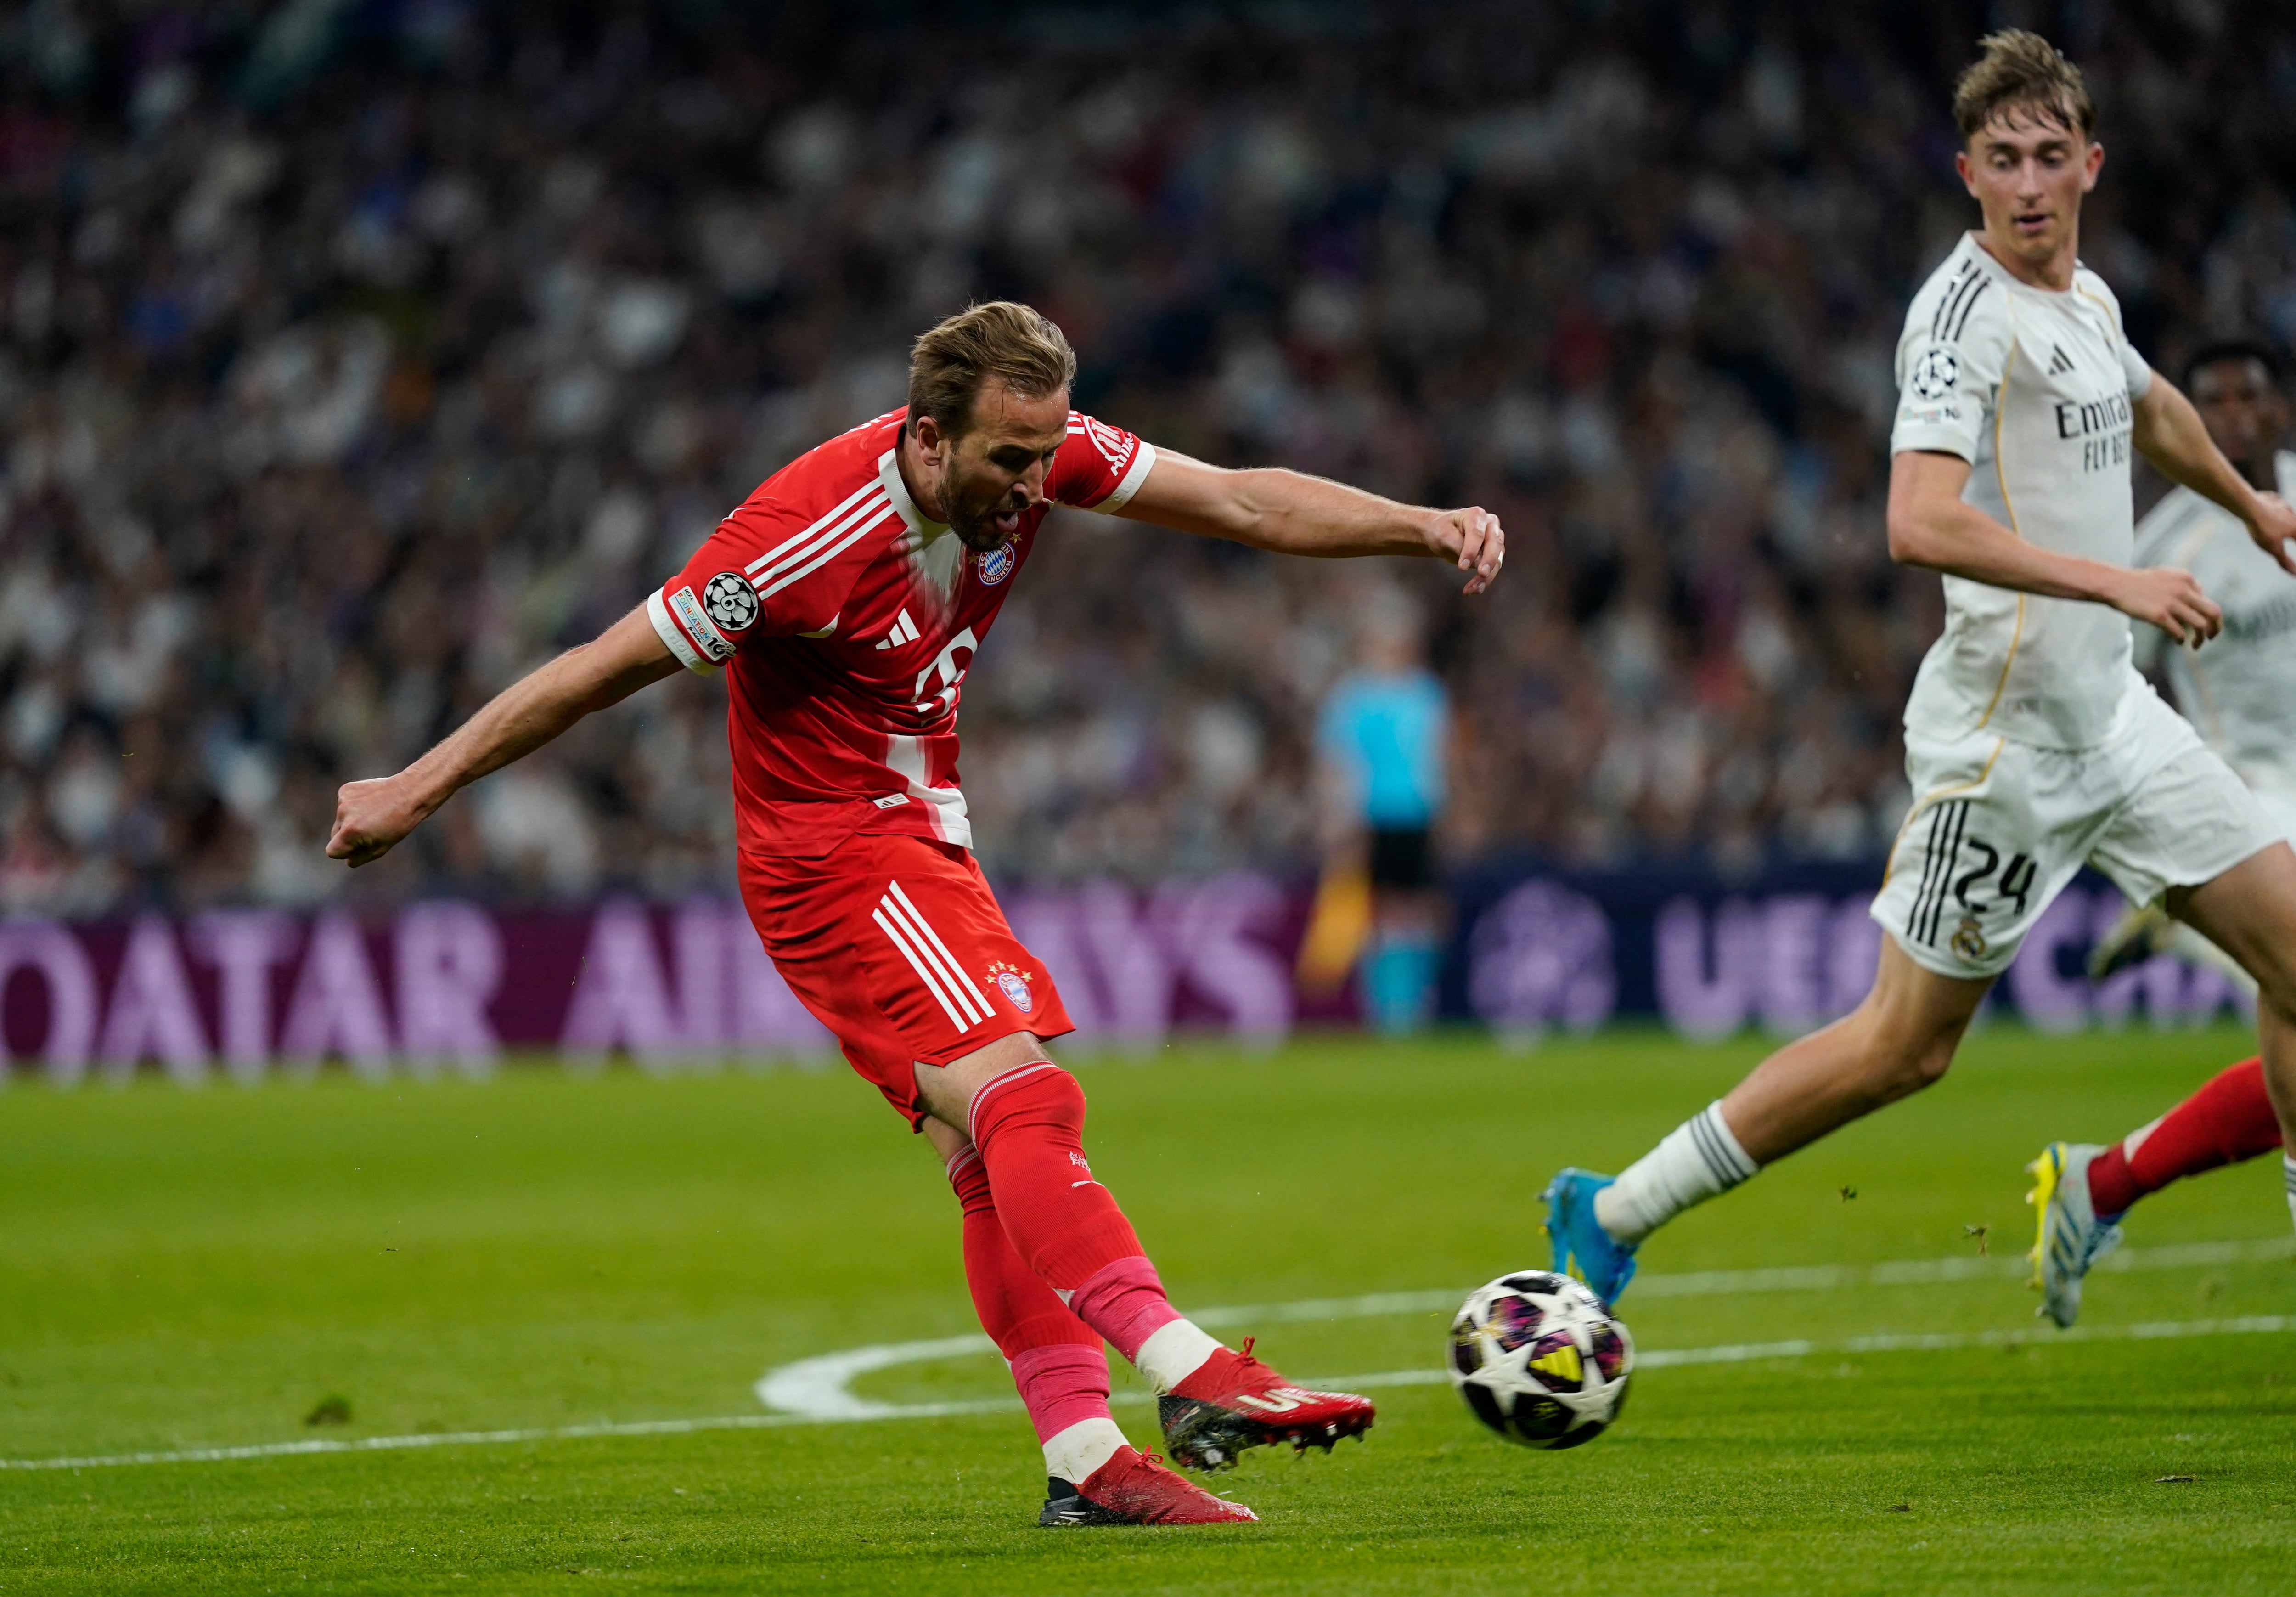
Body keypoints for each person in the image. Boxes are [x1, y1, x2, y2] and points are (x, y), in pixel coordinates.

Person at [327, 301, 1506, 1528]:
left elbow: (1245, 503)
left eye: (1049, 452)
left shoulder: (1039, 454)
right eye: (1011, 459)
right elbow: (590, 671)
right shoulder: (793, 543)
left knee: (988, 1158)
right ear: (929, 439)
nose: (1037, 482)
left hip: (917, 831)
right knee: (1030, 1092)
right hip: (836, 855)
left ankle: (1086, 1460)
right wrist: (417, 786)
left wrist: (1419, 526)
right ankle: (1194, 1370)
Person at [1536, 31, 2296, 1312]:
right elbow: (1917, 521)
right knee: (1905, 1047)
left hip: (2117, 716)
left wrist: (2251, 505)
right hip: (2005, 752)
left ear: (2092, 164)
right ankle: (1613, 1206)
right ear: (1968, 174)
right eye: (2004, 159)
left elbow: (2157, 401)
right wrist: (2116, 577)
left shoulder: (2086, 299)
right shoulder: (1958, 322)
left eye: (2053, 155)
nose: (2031, 182)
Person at [2027, 339, 2296, 1326]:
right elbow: (2103, 681)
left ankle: (2102, 1184)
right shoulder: (2167, 542)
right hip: (2257, 803)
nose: (2231, 411)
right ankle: (2103, 1183)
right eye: (2210, 397)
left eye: (2249, 393)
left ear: (2278, 410)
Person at [1312, 597, 1452, 1033]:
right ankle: (1389, 1008)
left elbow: (1439, 759)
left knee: (1420, 909)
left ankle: (1412, 1000)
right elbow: (1338, 764)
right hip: (1372, 815)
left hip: (1418, 812)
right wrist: (1338, 820)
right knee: (1381, 910)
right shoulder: (1355, 697)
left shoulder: (1426, 694)